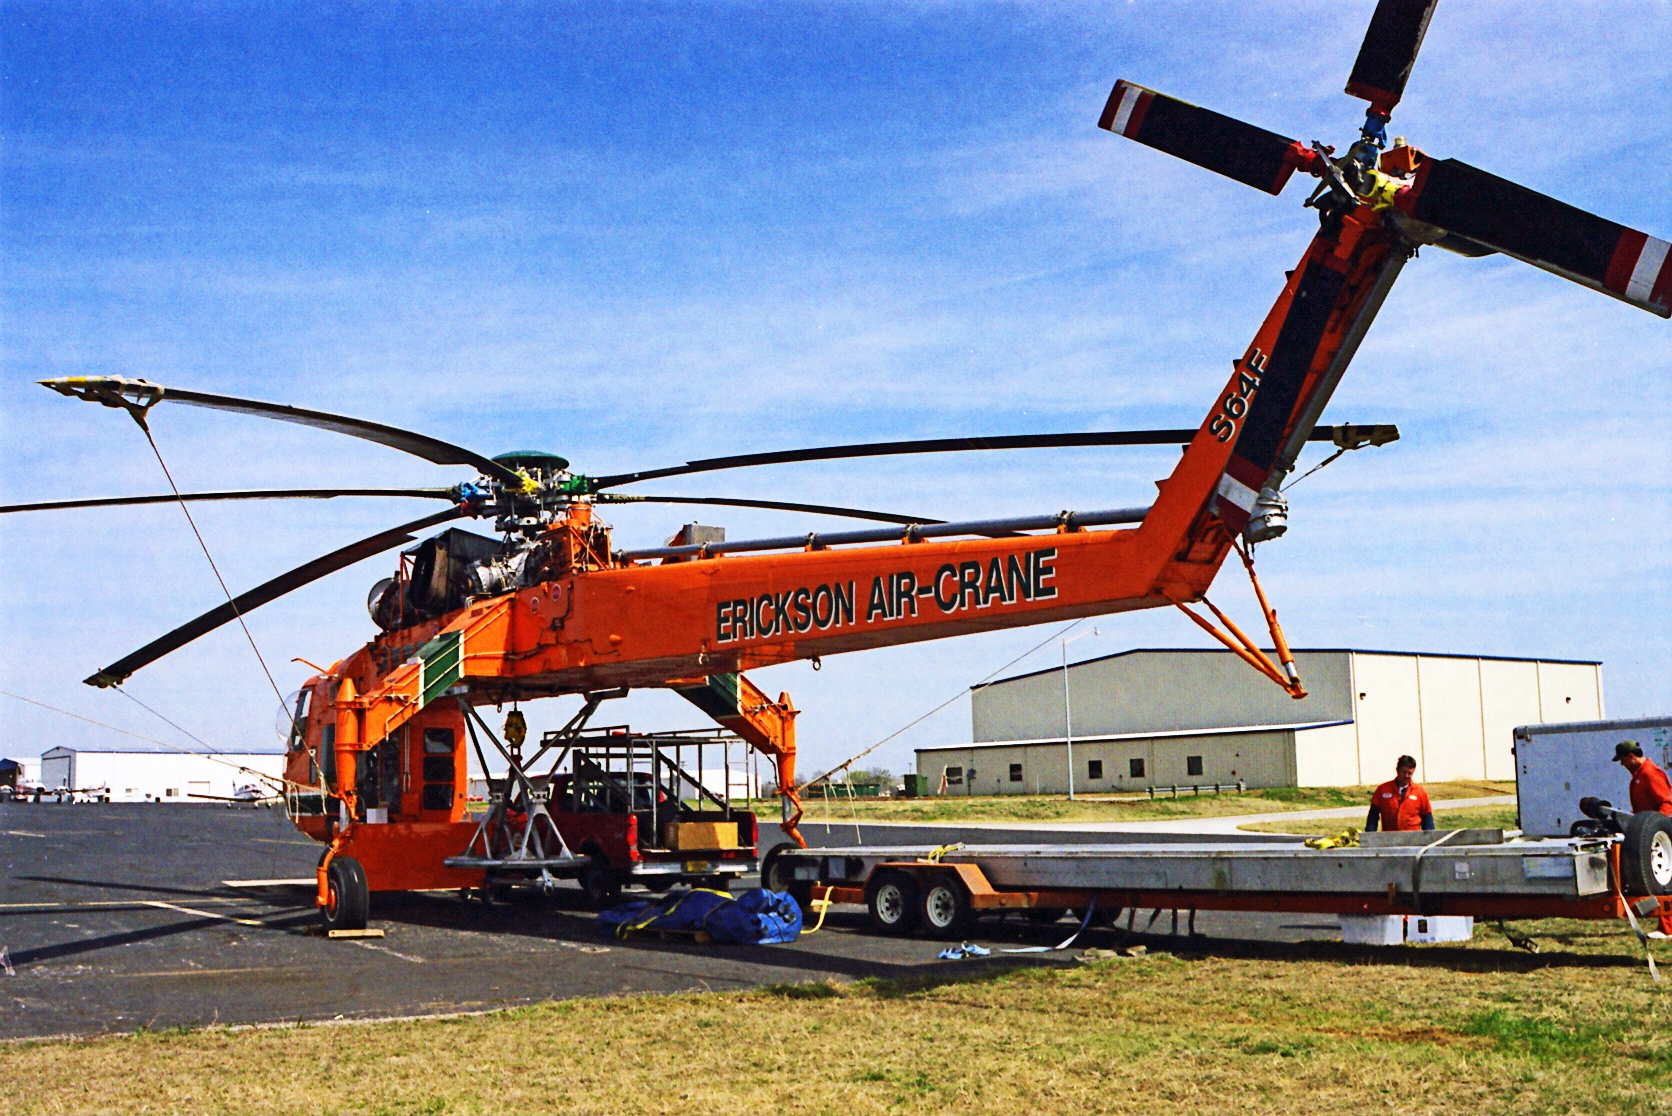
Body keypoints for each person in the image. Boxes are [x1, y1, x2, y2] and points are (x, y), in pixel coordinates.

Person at [1614, 741, 1672, 939]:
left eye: (1622, 759)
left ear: (1631, 756)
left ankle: (1668, 928)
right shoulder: (1638, 776)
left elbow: (1666, 803)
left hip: (1657, 836)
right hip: (1649, 833)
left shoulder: (1650, 773)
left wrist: (1657, 830)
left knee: (1663, 880)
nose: (1621, 764)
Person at [1365, 755, 1434, 832]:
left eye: (1410, 773)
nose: (1406, 776)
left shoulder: (1420, 792)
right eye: (1403, 772)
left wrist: (1430, 838)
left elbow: (1427, 818)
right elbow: (1373, 816)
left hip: (1413, 838)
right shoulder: (1383, 790)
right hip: (1390, 838)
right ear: (1397, 770)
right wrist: (1370, 836)